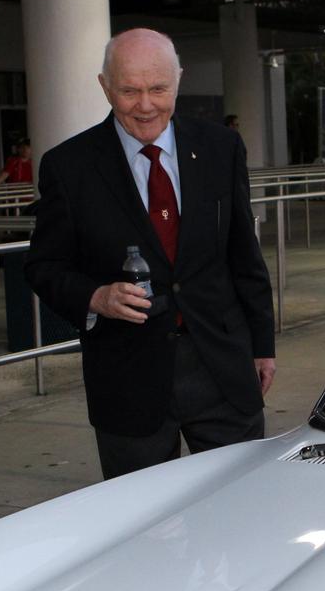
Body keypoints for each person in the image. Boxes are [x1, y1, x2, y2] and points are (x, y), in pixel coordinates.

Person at [26, 27, 276, 479]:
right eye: (129, 91)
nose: (145, 105)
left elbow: (243, 255)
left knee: (242, 508)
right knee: (143, 527)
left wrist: (262, 345)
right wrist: (95, 297)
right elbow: (44, 266)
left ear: (178, 81)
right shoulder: (68, 166)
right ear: (105, 87)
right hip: (127, 379)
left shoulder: (221, 148)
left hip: (220, 365)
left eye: (159, 89)